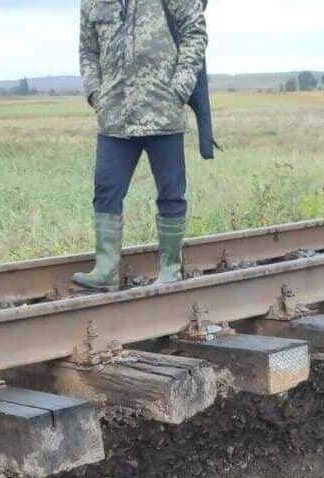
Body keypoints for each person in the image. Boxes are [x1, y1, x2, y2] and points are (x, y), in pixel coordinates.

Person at [73, 0, 208, 292]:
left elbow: (194, 33)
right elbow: (87, 50)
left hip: (163, 112)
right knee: (105, 192)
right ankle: (106, 271)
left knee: (171, 194)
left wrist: (179, 89)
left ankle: (170, 270)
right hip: (114, 117)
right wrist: (96, 94)